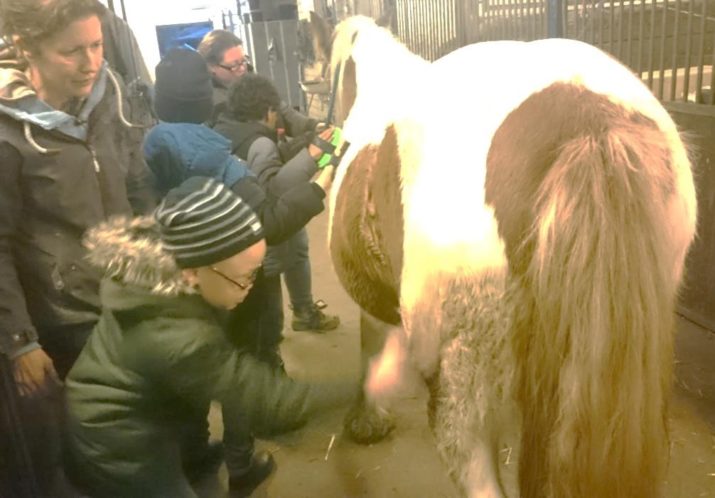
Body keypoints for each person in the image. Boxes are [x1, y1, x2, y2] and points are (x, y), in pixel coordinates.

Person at [64, 177, 355, 497]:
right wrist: (368, 384)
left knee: (195, 450)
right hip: (119, 445)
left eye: (256, 273)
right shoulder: (174, 336)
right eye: (244, 278)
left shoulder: (175, 278)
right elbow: (269, 399)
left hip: (157, 412)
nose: (249, 289)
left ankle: (201, 466)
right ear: (192, 272)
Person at [0, 0, 155, 495]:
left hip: (127, 299)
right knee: (91, 449)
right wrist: (21, 341)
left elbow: (136, 184)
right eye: (72, 51)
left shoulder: (108, 97)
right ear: (27, 48)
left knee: (142, 424)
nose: (91, 62)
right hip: (67, 322)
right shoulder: (9, 132)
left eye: (97, 45)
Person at [214, 73, 341, 335]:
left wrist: (304, 142)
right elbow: (272, 192)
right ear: (269, 112)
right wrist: (312, 159)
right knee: (267, 310)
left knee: (297, 246)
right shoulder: (261, 143)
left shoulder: (228, 129)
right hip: (262, 236)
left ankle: (302, 312)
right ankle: (278, 336)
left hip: (235, 229)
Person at [197, 28, 318, 144]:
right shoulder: (210, 105)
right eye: (234, 65)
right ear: (211, 67)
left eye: (243, 61)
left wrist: (312, 126)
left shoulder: (250, 82)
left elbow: (279, 108)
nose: (242, 69)